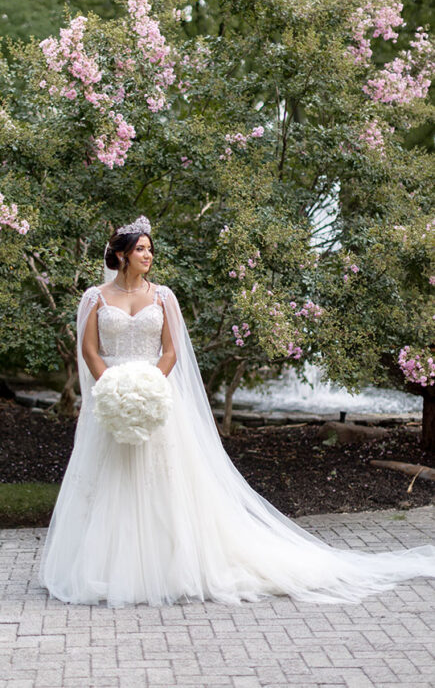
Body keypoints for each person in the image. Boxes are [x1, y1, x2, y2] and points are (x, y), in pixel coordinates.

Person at [39, 216, 435, 608]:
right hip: (112, 402)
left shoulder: (163, 297)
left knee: (159, 482)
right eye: (141, 249)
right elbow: (90, 350)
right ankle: (108, 567)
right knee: (111, 481)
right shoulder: (95, 297)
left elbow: (172, 351)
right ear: (122, 255)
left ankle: (170, 566)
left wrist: (150, 385)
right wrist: (112, 387)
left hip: (156, 398)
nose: (149, 255)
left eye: (150, 249)